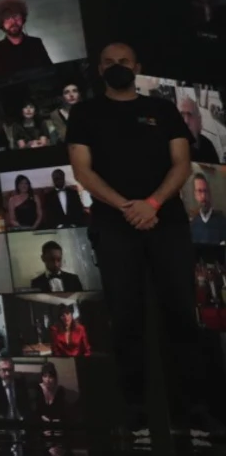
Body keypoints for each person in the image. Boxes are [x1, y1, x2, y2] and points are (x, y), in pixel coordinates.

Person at [67, 41, 224, 438]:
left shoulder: (162, 110)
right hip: (114, 226)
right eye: (108, 62)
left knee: (181, 317)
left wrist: (152, 204)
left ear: (137, 66)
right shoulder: (84, 113)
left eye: (123, 61)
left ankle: (194, 409)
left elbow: (182, 164)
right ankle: (135, 413)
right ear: (98, 69)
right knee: (125, 321)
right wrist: (127, 207)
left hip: (166, 223)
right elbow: (83, 171)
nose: (116, 66)